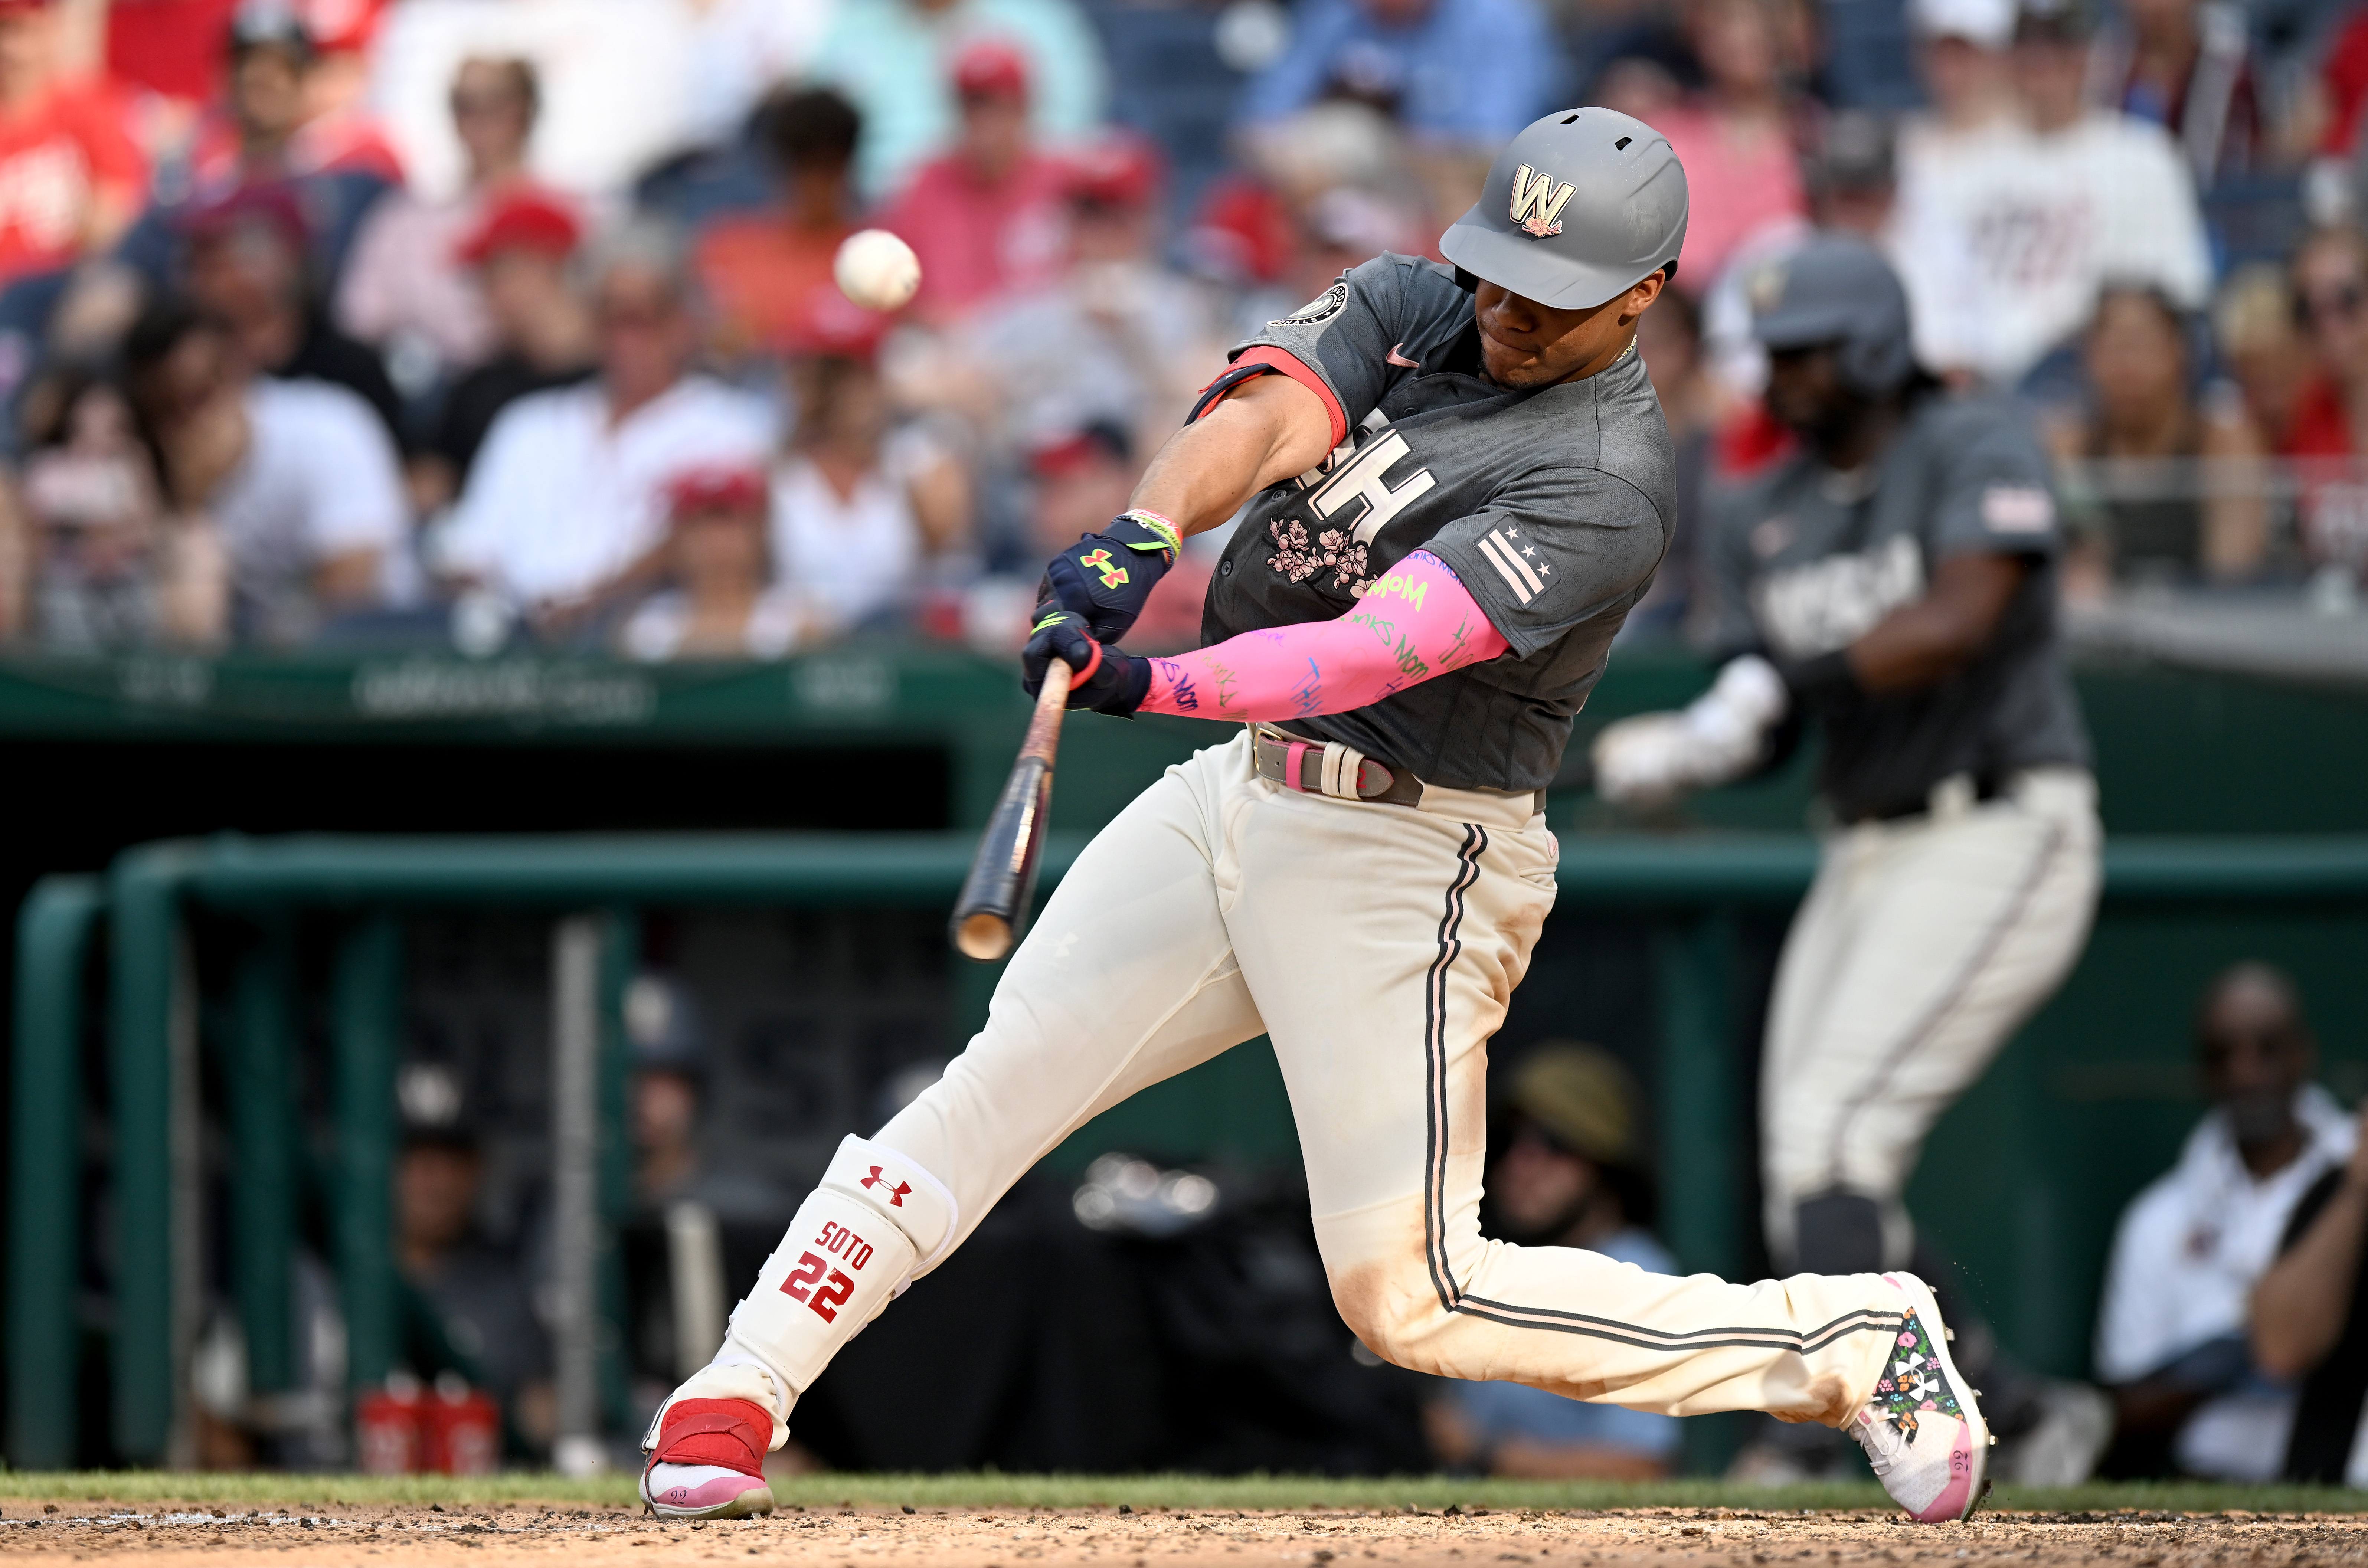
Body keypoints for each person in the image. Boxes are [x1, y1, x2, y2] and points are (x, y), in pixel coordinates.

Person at [634, 108, 1993, 1529]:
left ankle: (1847, 1342)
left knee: (1413, 1296)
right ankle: (738, 1386)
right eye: (1500, 273)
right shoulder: (1419, 301)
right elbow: (1269, 417)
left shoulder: (1610, 480)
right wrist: (1142, 534)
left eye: (1555, 294)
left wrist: (1154, 681)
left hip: (1411, 851)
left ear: (1645, 295)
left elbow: (1375, 648)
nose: (1511, 312)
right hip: (1246, 793)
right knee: (993, 1091)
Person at [1593, 234, 2102, 1485]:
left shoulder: (1969, 442)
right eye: (1776, 354)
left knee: (1838, 1139)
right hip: (1866, 839)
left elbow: (1960, 618)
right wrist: (1701, 745)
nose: (1787, 376)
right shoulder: (1769, 512)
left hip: (2000, 818)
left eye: (1812, 351)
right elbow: (1779, 714)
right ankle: (2020, 1413)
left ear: (1875, 343)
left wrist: (1773, 682)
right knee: (1804, 1180)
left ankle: (1859, 1436)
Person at [438, 223, 774, 628]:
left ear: (684, 322)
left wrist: (588, 605)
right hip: (515, 639)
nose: (625, 340)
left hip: (641, 641)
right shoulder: (528, 423)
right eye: (610, 319)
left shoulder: (731, 426)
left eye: (643, 319)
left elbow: (698, 551)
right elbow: (471, 549)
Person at [2094, 964, 2352, 1479]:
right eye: (2222, 1054)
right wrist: (2232, 1357)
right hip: (2204, 1485)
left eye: (2268, 1047)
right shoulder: (2155, 1218)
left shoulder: (2356, 1180)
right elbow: (2123, 1404)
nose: (2246, 1071)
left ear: (2304, 1054)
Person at [1887, 0, 2212, 389]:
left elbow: (2174, 294)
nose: (2042, 63)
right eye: (2028, 47)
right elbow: (1924, 289)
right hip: (1967, 382)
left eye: (2062, 46)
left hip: (2086, 383)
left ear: (2094, 53)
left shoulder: (2143, 155)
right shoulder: (1952, 161)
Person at [1425, 1044, 1681, 1478]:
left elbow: (1639, 1467)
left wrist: (1483, 1455)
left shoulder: (1637, 1279)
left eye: (1554, 1143)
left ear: (1605, 1164)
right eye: (1508, 1141)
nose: (1522, 1164)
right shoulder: (1488, 1265)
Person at [121, 296, 405, 645]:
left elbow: (352, 598)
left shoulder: (325, 428)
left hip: (381, 649)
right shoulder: (144, 459)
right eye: (165, 407)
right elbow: (186, 644)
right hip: (246, 660)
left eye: (198, 395)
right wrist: (190, 508)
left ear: (239, 373)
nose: (187, 422)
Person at [335, 56, 548, 381]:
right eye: (464, 105)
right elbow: (359, 327)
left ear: (525, 112)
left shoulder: (577, 213)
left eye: (496, 104)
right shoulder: (403, 221)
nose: (478, 121)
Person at [2046, 286, 2268, 590]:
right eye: (2113, 348)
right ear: (2089, 359)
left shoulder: (2222, 443)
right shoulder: (2069, 446)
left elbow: (2233, 576)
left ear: (2180, 353)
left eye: (2142, 346)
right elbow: (2075, 572)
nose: (2127, 368)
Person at [391, 1063, 556, 1454]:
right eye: (415, 1157)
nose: (433, 1178)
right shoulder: (323, 1275)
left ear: (479, 1169)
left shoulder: (513, 1284)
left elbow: (545, 1412)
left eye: (451, 1158)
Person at [807, 0, 1105, 202]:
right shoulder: (852, 25)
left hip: (1011, 218)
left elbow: (1068, 146)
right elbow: (815, 140)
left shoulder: (1038, 22)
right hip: (870, 219)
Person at [180, 183, 407, 447]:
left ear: (273, 263)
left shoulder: (349, 371)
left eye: (212, 263)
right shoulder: (183, 369)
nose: (193, 279)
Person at [11, 369, 227, 648]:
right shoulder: (50, 470)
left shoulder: (132, 469)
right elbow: (39, 530)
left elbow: (146, 527)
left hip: (128, 582)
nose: (99, 436)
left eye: (113, 427)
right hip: (68, 583)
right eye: (89, 425)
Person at [770, 348, 970, 636]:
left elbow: (947, 540)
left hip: (895, 639)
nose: (853, 395)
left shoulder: (914, 462)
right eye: (838, 380)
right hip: (803, 642)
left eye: (864, 380)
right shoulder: (783, 475)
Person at [416, 189, 593, 510]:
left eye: (492, 276)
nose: (484, 298)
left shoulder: (626, 370)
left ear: (540, 266)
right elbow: (433, 484)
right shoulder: (478, 389)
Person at [873, 41, 1072, 323]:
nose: (984, 120)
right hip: (944, 349)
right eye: (973, 105)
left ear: (1023, 108)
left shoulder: (1063, 182)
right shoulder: (926, 183)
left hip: (1043, 352)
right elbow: (889, 286)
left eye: (997, 106)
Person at [694, 87, 875, 361]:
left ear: (847, 167)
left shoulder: (873, 259)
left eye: (828, 167)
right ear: (781, 167)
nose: (815, 184)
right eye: (803, 166)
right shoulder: (727, 247)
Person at [1237, 0, 1557, 153]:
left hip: (1450, 203)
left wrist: (1380, 144)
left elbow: (1493, 146)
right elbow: (1255, 125)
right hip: (1330, 188)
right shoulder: (1334, 14)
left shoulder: (1496, 20)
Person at [1646, 0, 1812, 290]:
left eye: (1759, 22)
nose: (1741, 35)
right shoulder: (1662, 140)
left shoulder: (1814, 136)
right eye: (1725, 22)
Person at [0, 0, 144, 292]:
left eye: (23, 32)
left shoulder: (90, 108)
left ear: (52, 31)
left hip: (65, 286)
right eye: (4, 31)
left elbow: (116, 209)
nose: (11, 49)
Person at [617, 466, 808, 661]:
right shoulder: (648, 629)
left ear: (759, 534)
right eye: (701, 527)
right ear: (677, 540)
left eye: (730, 524)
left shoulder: (798, 620)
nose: (717, 541)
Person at [2086, 0, 2259, 189]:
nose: (2156, 6)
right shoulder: (2100, 63)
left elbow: (2242, 167)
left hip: (2209, 204)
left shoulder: (2229, 69)